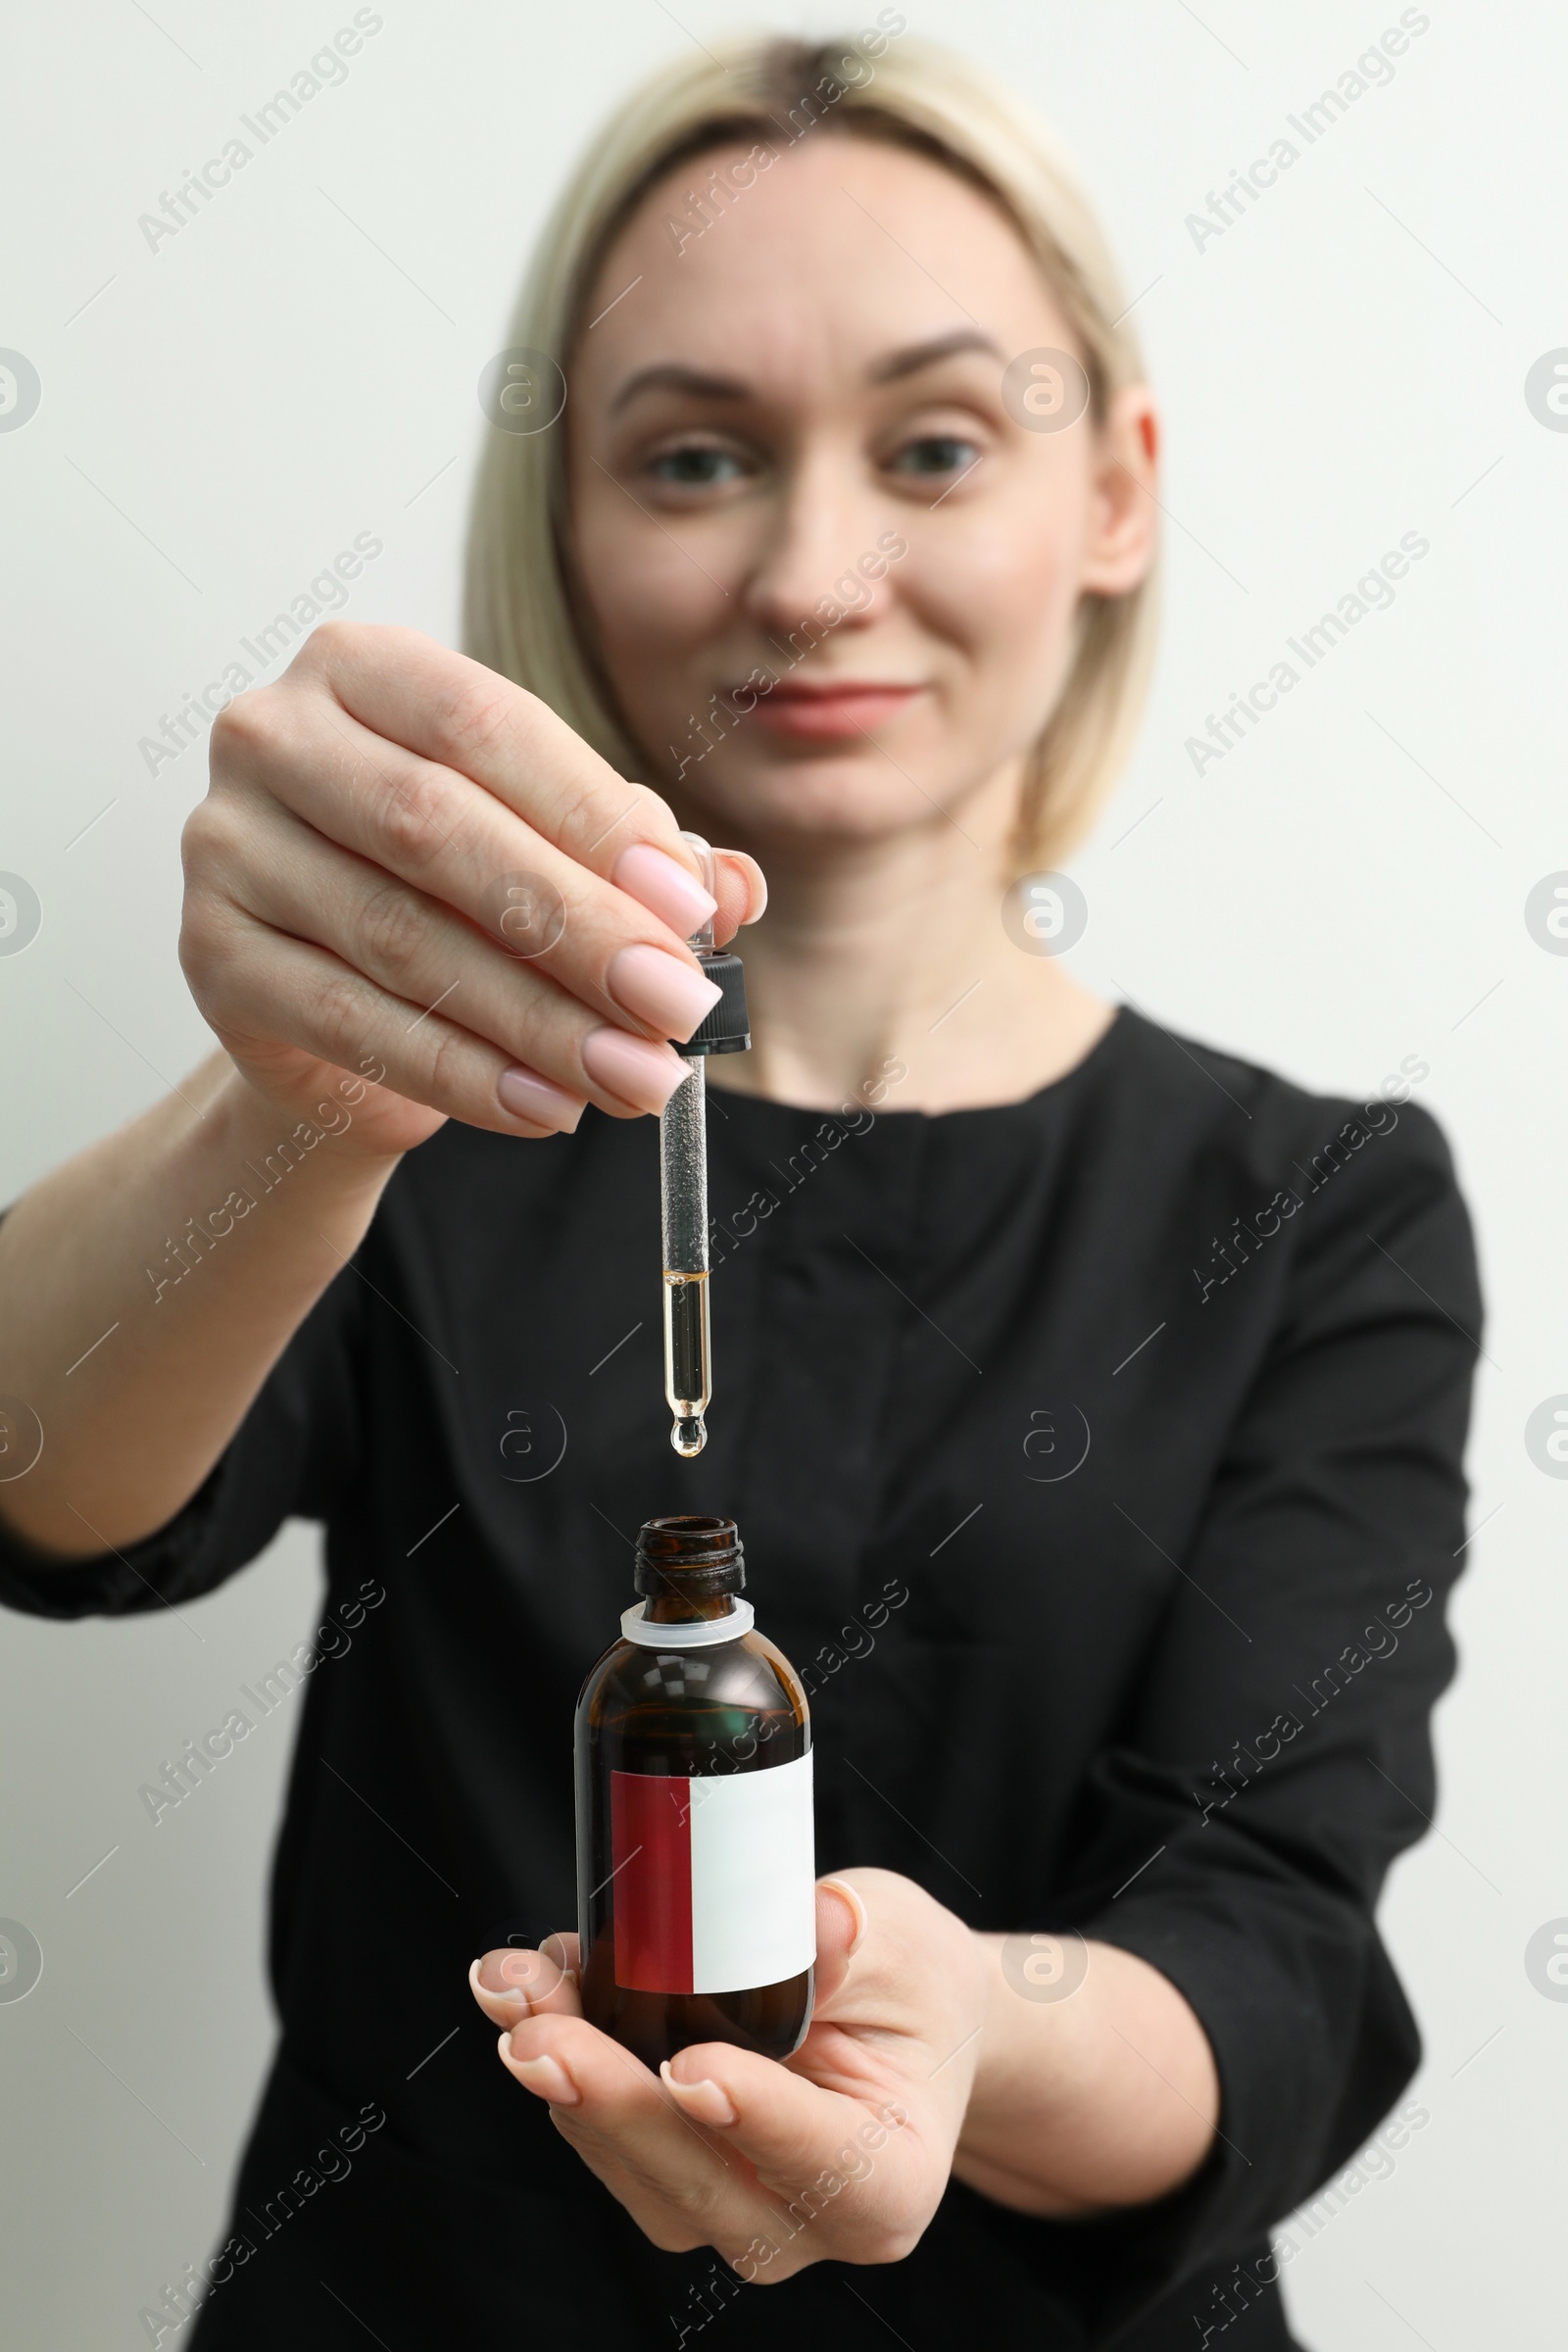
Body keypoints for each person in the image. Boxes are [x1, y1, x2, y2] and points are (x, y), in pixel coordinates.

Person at [0, 31, 1479, 2350]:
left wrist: (961, 2024)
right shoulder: (425, 1126)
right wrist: (291, 1099)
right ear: (567, 516)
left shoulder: (1311, 1203)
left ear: (1109, 491)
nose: (811, 569)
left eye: (931, 445)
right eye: (694, 454)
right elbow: (40, 1492)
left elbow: (1268, 1943)